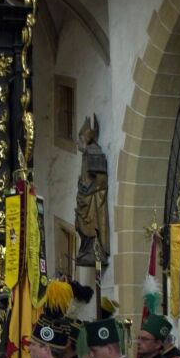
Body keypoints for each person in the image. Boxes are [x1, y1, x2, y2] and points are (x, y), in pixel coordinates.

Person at [75, 114, 109, 266]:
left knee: (90, 226)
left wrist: (87, 190)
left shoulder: (93, 152)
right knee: (81, 226)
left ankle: (95, 250)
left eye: (80, 140)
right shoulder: (86, 155)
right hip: (84, 198)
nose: (77, 143)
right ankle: (87, 249)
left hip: (92, 200)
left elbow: (101, 181)